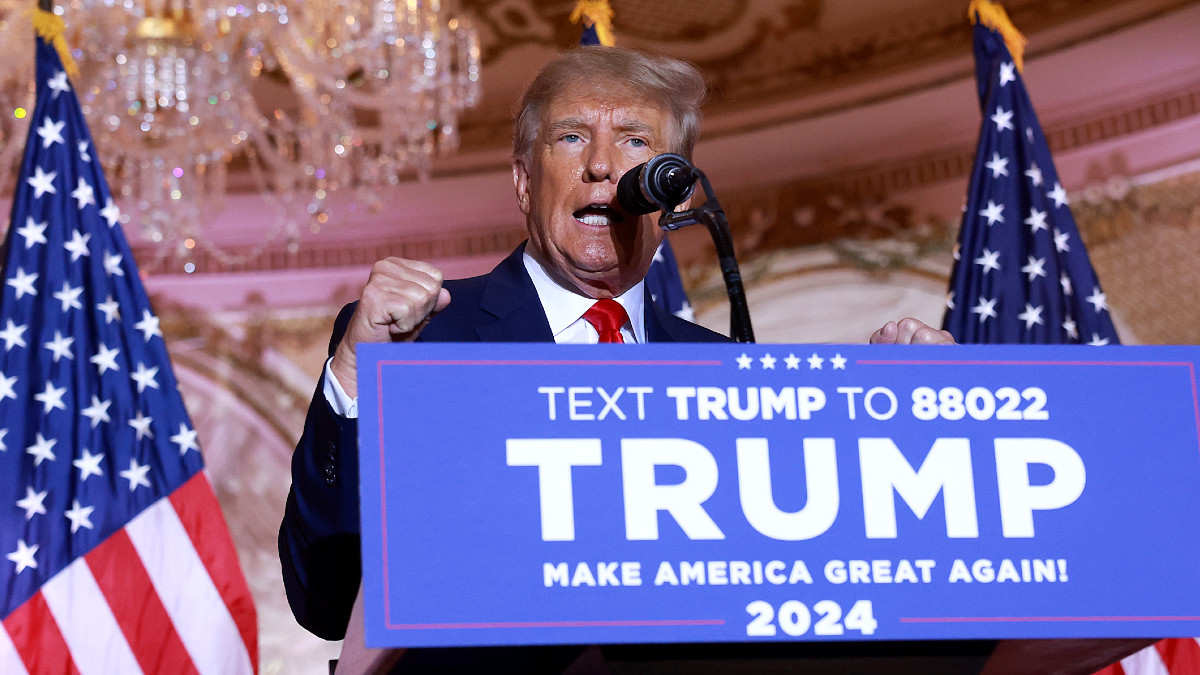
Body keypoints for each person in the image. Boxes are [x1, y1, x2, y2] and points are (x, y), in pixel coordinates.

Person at [278, 46, 952, 672]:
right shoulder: (424, 341)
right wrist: (354, 375)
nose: (603, 165)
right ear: (522, 180)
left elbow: (809, 589)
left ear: (676, 189)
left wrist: (906, 420)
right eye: (572, 137)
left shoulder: (727, 376)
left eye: (635, 141)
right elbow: (325, 597)